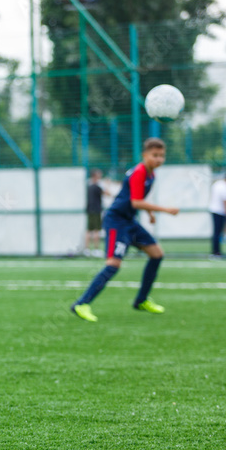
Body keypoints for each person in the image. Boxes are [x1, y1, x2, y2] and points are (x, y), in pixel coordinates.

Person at [70, 138, 179, 323]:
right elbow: (135, 202)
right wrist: (165, 210)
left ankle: (141, 300)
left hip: (129, 221)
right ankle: (81, 303)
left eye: (162, 156)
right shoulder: (139, 173)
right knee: (113, 264)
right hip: (116, 222)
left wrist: (150, 213)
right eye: (155, 155)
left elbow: (137, 198)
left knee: (157, 254)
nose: (159, 159)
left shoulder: (151, 174)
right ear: (145, 155)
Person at [208, 172, 226, 258]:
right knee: (218, 233)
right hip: (220, 211)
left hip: (213, 210)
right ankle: (216, 252)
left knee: (216, 233)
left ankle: (215, 251)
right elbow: (225, 203)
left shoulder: (217, 184)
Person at [85, 169, 109, 256]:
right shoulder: (97, 187)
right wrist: (107, 184)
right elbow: (107, 193)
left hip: (89, 210)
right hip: (96, 210)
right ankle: (96, 250)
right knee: (96, 231)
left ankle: (87, 250)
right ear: (95, 176)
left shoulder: (88, 186)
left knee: (88, 230)